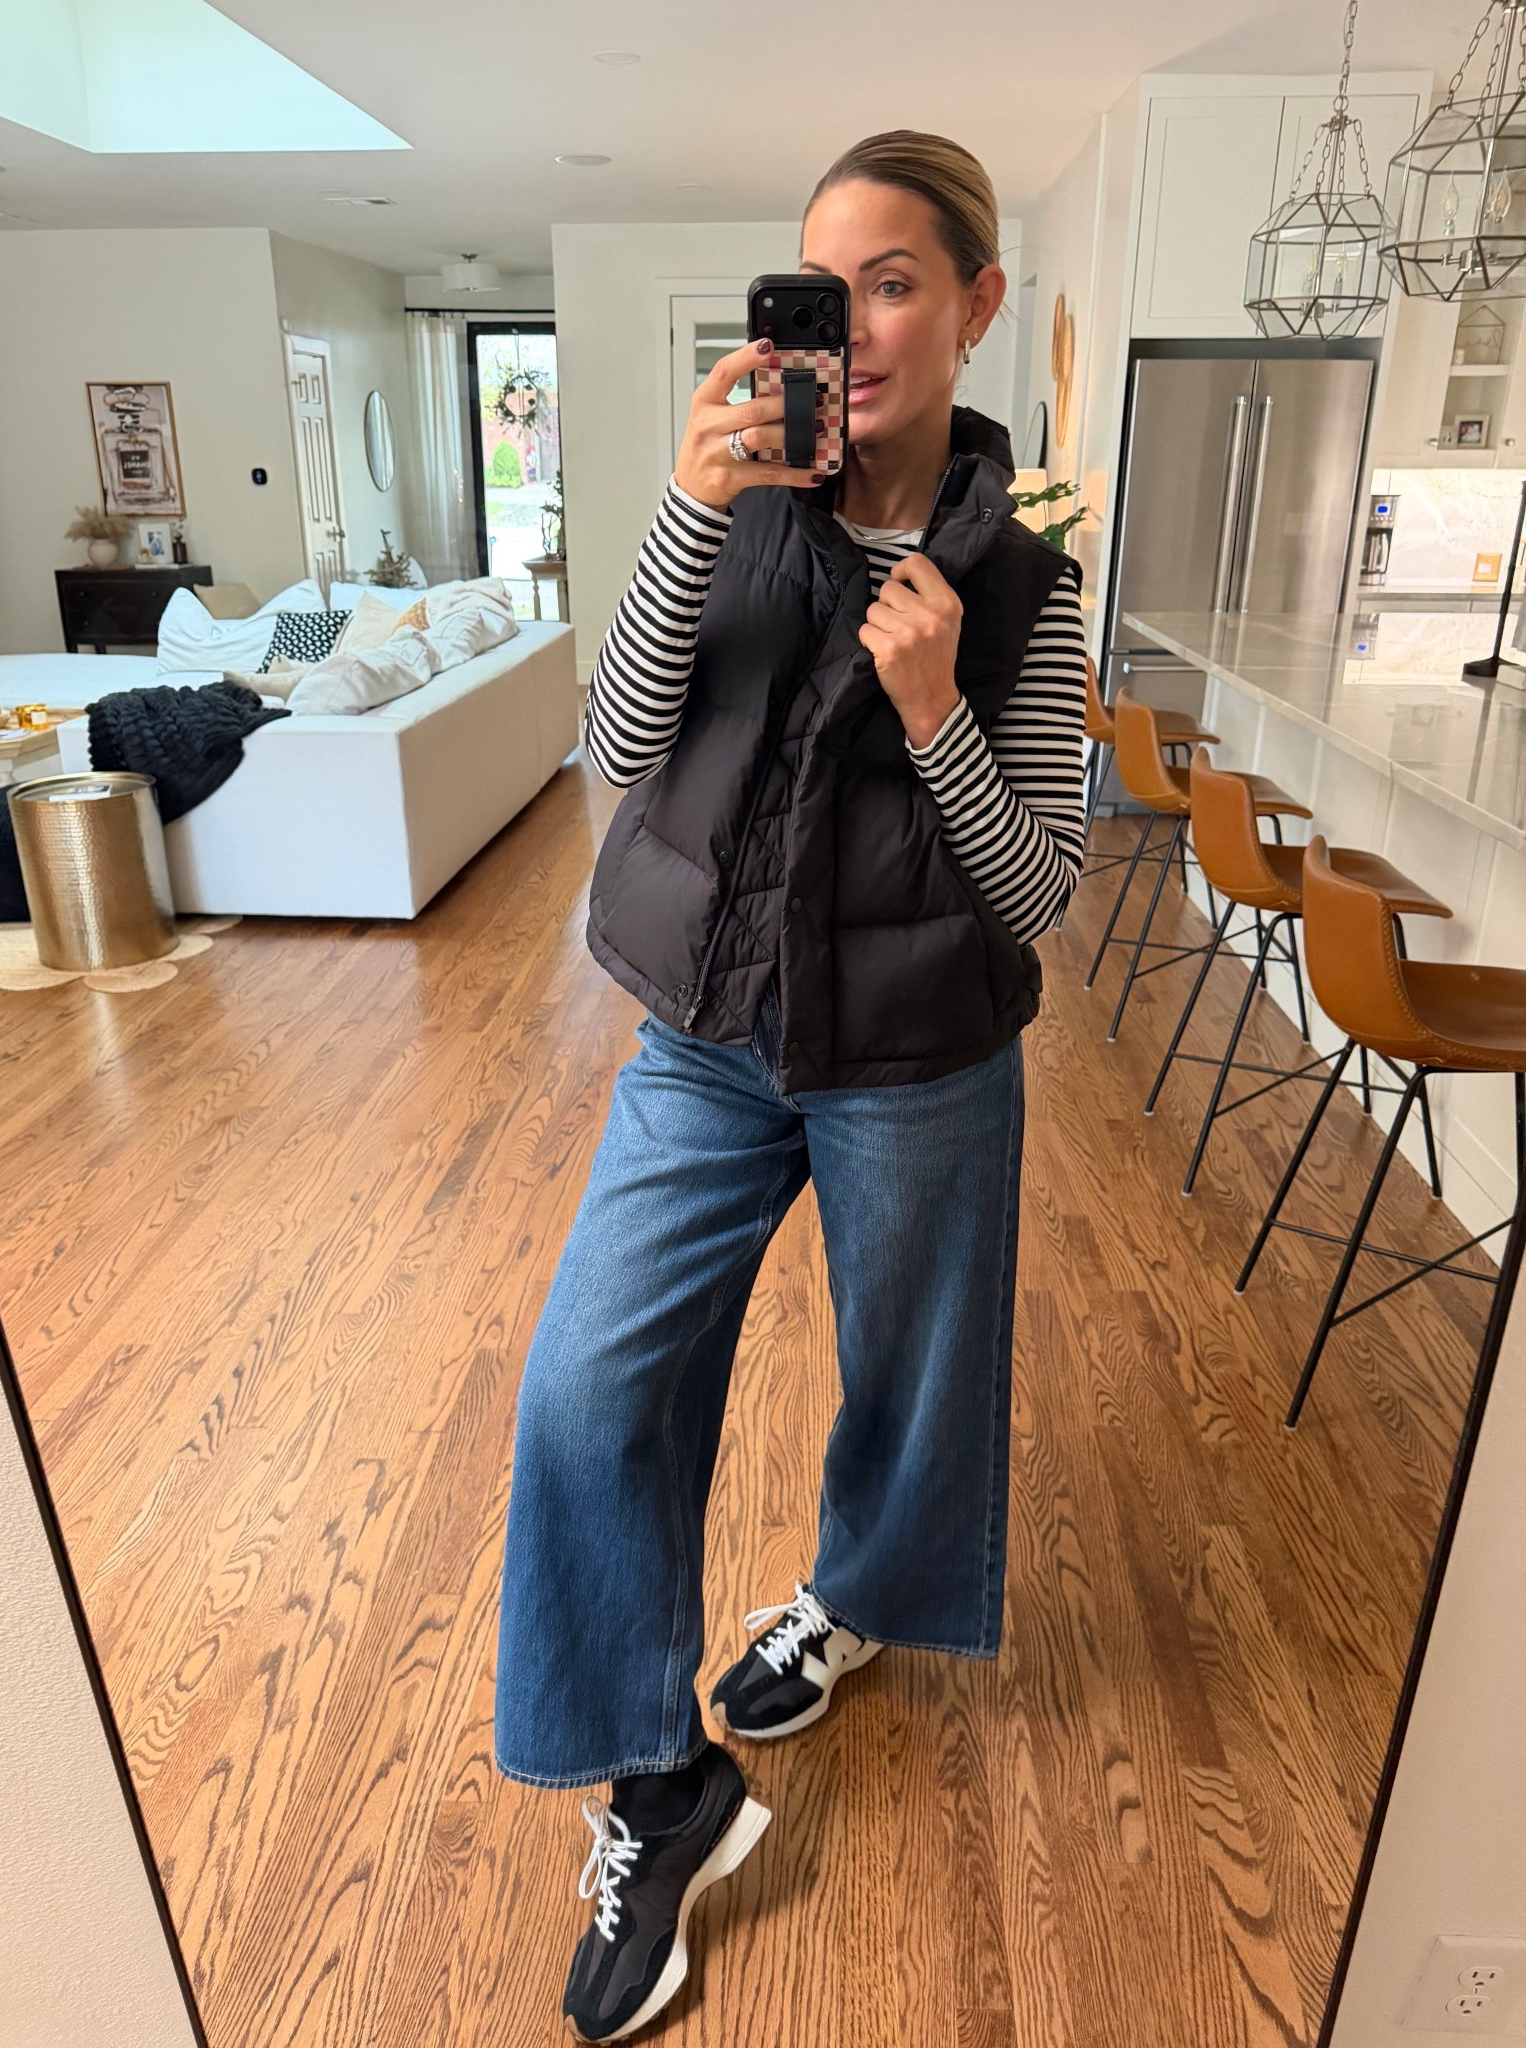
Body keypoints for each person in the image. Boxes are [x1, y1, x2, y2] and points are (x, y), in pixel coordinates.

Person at [492, 128, 1088, 2043]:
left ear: (977, 303)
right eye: (826, 293)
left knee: (910, 1382)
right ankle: (660, 1787)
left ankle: (847, 1600)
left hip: (919, 1053)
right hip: (709, 1038)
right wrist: (683, 516)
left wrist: (937, 714)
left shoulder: (1031, 581)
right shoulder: (736, 508)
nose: (855, 328)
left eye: (896, 284)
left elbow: (1040, 891)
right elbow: (613, 750)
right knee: (588, 1386)